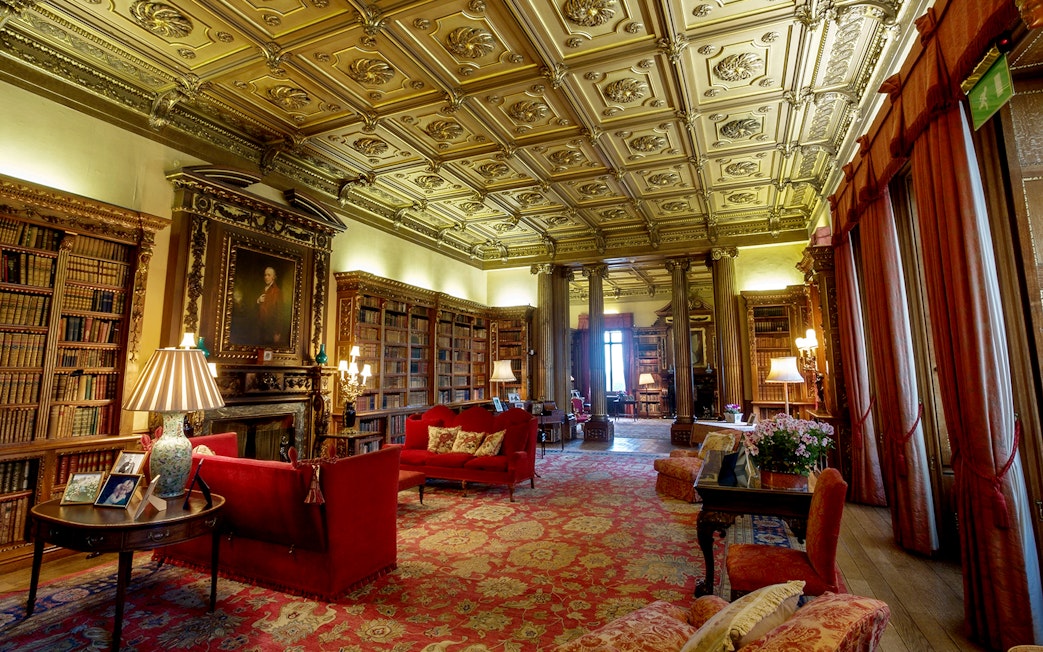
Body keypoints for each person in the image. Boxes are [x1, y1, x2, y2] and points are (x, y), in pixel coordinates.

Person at [256, 266, 283, 344]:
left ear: (273, 277)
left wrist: (277, 332)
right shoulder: (262, 288)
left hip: (271, 329)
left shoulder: (277, 292)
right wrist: (258, 300)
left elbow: (279, 313)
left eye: (269, 275)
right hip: (260, 328)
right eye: (265, 275)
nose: (266, 277)